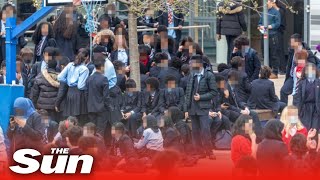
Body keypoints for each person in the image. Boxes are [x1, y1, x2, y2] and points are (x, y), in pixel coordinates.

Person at [184, 55, 218, 160]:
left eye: (192, 64)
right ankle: (199, 151)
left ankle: (209, 151)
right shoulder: (191, 75)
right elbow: (188, 92)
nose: (190, 66)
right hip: (192, 107)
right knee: (195, 131)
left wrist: (201, 97)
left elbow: (214, 92)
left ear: (199, 64)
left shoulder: (209, 75)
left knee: (205, 129)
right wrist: (186, 108)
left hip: (203, 107)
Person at [57, 49, 89, 125]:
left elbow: (60, 77)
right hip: (79, 94)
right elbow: (81, 86)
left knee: (70, 118)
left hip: (70, 92)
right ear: (87, 57)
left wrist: (68, 82)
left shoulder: (70, 64)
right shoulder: (85, 69)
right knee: (79, 120)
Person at [86, 54, 112, 139]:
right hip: (101, 109)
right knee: (100, 132)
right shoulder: (104, 79)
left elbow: (86, 94)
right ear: (102, 67)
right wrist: (109, 107)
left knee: (91, 131)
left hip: (90, 108)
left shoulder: (89, 78)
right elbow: (106, 97)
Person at [258, 0, 281, 78]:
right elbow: (260, 22)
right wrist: (260, 26)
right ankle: (267, 72)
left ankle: (274, 72)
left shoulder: (275, 12)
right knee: (264, 53)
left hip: (272, 35)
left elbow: (278, 23)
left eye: (267, 1)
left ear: (271, 2)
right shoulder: (263, 12)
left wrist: (269, 26)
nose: (266, 3)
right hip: (264, 35)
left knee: (273, 54)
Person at [295, 63, 320, 130]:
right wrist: (297, 112)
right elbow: (298, 98)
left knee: (315, 129)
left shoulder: (318, 82)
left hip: (316, 108)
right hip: (305, 109)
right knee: (305, 128)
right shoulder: (301, 83)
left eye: (312, 70)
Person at [275, 1, 287, 74]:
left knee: (279, 50)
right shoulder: (276, 11)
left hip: (278, 32)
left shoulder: (280, 11)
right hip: (277, 32)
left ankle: (282, 68)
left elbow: (281, 24)